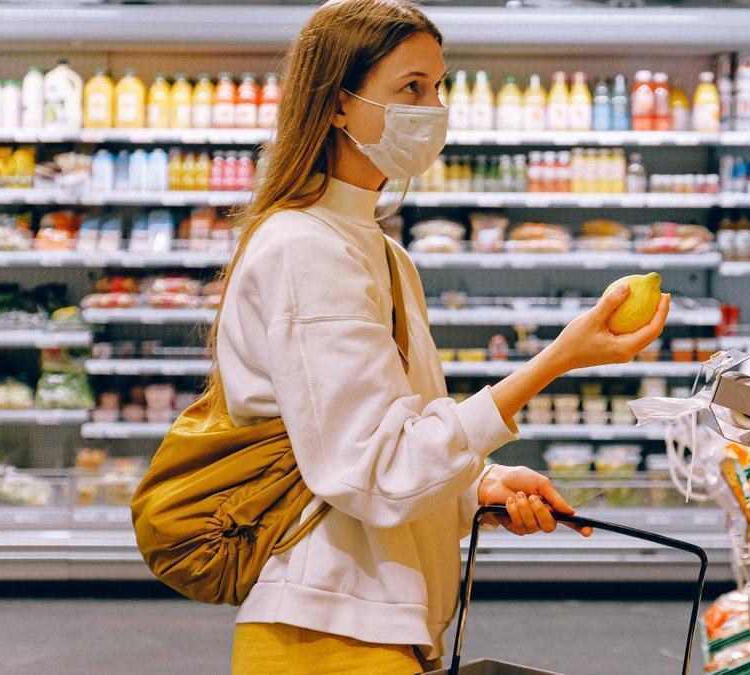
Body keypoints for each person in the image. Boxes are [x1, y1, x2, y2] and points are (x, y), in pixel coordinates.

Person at [213, 0, 671, 672]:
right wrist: (555, 360)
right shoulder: (304, 249)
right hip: (327, 629)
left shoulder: (380, 251)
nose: (434, 109)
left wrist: (476, 485)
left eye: (438, 86)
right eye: (411, 88)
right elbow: (376, 470)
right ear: (338, 104)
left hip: (377, 620)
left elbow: (393, 441)